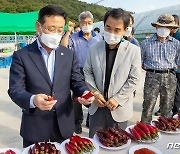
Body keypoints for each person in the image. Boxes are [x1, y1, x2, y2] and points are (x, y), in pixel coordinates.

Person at [8, 4, 94, 148]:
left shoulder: (68, 54)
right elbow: (15, 90)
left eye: (60, 30)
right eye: (50, 29)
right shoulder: (22, 56)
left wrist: (84, 92)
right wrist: (33, 99)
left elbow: (76, 80)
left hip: (64, 124)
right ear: (38, 27)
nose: (55, 34)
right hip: (35, 125)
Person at [83, 8, 142, 138]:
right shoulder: (94, 48)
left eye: (117, 30)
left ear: (126, 30)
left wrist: (118, 99)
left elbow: (135, 78)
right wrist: (95, 93)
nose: (111, 33)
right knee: (95, 142)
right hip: (97, 106)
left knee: (117, 144)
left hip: (119, 109)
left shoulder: (133, 50)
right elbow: (87, 72)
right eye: (108, 28)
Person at [141, 14, 180, 123]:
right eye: (161, 26)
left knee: (167, 107)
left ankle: (164, 131)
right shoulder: (146, 43)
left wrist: (169, 69)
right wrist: (152, 70)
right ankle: (145, 130)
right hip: (152, 76)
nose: (164, 29)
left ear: (171, 29)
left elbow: (178, 62)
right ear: (156, 27)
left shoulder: (176, 44)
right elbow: (140, 62)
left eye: (167, 27)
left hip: (170, 77)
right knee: (148, 106)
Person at [68, 11, 102, 134]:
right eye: (84, 23)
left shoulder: (98, 37)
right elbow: (64, 48)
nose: (87, 25)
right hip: (78, 71)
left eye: (89, 22)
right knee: (77, 98)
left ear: (93, 23)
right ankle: (77, 122)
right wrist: (68, 32)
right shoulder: (73, 37)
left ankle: (90, 119)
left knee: (92, 95)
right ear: (80, 24)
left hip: (94, 71)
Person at [154, 14, 180, 116]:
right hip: (165, 71)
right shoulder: (165, 36)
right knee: (164, 92)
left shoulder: (177, 38)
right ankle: (162, 109)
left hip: (175, 70)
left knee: (176, 92)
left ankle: (175, 111)